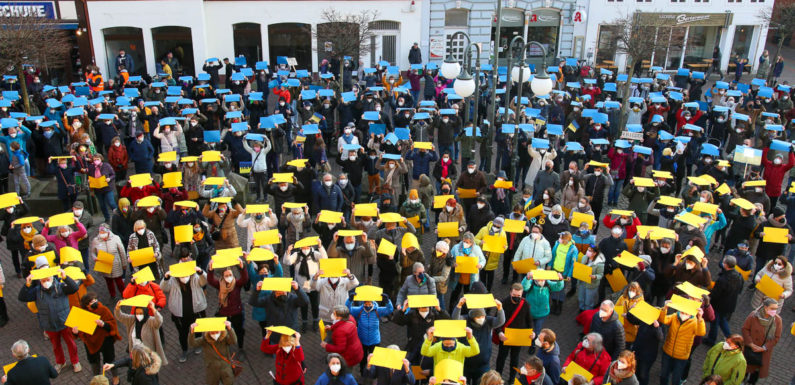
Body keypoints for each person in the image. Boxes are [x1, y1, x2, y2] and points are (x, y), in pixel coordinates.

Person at [17, 268, 82, 374]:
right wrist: (27, 285)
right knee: (56, 346)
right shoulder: (36, 291)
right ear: (39, 281)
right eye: (43, 281)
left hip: (64, 322)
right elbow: (22, 297)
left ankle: (75, 361)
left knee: (71, 343)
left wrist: (65, 278)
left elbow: (74, 288)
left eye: (47, 279)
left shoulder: (61, 287)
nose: (46, 282)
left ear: (52, 278)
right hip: (49, 325)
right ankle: (60, 362)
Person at [160, 259, 207, 363]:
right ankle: (184, 350)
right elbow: (163, 288)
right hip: (180, 315)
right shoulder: (173, 280)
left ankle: (197, 345)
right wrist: (166, 278)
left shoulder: (195, 277)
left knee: (198, 330)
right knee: (182, 333)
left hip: (196, 311)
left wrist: (200, 272)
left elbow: (204, 281)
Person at [206, 257, 249, 359]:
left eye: (230, 275)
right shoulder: (220, 284)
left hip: (236, 312)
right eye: (226, 275)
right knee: (224, 332)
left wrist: (242, 268)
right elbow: (211, 280)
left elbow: (245, 279)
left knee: (239, 331)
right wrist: (210, 270)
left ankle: (240, 348)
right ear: (223, 276)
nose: (228, 277)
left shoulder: (236, 284)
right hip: (224, 313)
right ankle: (226, 348)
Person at [74, 293, 121, 384]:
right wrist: (75, 332)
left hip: (105, 340)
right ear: (86, 305)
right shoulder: (82, 313)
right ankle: (97, 378)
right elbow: (78, 331)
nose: (95, 302)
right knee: (94, 361)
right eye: (91, 301)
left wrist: (103, 324)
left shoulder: (103, 310)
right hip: (90, 342)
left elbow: (112, 324)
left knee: (110, 359)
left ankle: (115, 377)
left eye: (95, 300)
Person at [658, 301, 705, 385]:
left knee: (676, 379)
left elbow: (701, 332)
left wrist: (700, 318)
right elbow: (663, 320)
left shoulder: (694, 322)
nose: (684, 314)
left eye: (686, 312)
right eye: (683, 311)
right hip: (667, 352)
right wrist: (665, 308)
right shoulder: (674, 316)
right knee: (663, 376)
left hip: (681, 356)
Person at [495, 283, 533, 384]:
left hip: (518, 338)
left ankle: (511, 379)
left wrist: (532, 332)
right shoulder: (503, 303)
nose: (517, 298)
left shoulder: (525, 304)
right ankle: (497, 378)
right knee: (501, 359)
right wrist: (499, 333)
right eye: (514, 295)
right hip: (505, 337)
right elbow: (496, 321)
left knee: (515, 360)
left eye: (519, 296)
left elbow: (529, 321)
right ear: (510, 292)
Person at [741, 298, 782, 385]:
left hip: (763, 352)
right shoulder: (753, 315)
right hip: (750, 348)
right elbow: (745, 329)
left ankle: (751, 383)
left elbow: (776, 337)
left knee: (756, 370)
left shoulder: (777, 320)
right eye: (772, 308)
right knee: (745, 367)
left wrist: (764, 347)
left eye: (776, 309)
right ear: (765, 307)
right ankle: (742, 380)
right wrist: (751, 343)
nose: (774, 311)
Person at [114, 300, 167, 366]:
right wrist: (117, 308)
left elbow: (159, 321)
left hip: (147, 355)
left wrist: (153, 309)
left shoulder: (150, 321)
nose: (138, 315)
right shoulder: (132, 319)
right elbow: (120, 317)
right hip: (135, 353)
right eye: (137, 313)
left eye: (141, 313)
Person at [705, 256, 744, 345]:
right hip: (730, 304)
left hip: (719, 305)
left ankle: (711, 340)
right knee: (723, 321)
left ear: (726, 265)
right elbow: (740, 290)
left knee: (715, 322)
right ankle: (730, 337)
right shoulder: (739, 276)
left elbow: (716, 294)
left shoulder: (722, 279)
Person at [189, 320, 237, 385]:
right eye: (212, 333)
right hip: (212, 369)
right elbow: (192, 343)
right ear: (209, 333)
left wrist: (230, 329)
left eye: (217, 332)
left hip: (225, 368)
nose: (215, 334)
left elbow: (234, 341)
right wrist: (192, 332)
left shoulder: (224, 338)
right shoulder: (204, 340)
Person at [322, 305, 364, 369]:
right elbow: (340, 324)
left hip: (348, 357)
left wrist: (326, 346)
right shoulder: (350, 318)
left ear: (339, 317)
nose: (332, 315)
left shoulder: (340, 331)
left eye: (334, 314)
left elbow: (340, 348)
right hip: (355, 351)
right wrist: (331, 327)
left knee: (346, 372)